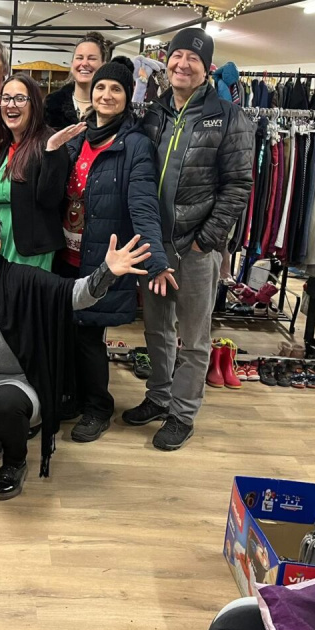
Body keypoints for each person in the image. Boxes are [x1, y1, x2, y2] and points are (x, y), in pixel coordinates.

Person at [0, 208, 152, 500]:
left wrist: (105, 272)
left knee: (1, 404)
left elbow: (75, 295)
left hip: (22, 384)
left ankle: (14, 463)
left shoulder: (24, 280)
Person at [128, 28, 255, 451]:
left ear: (206, 68)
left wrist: (205, 241)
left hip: (196, 248)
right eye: (176, 55)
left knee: (195, 338)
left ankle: (182, 414)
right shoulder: (154, 112)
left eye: (193, 58)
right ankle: (159, 396)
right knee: (157, 328)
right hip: (154, 245)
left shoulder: (228, 116)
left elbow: (238, 185)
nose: (182, 64)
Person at [54, 56, 175, 443]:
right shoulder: (77, 138)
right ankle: (74, 397)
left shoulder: (135, 145)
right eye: (101, 87)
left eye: (116, 89)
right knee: (68, 331)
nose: (106, 95)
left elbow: (143, 205)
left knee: (90, 335)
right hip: (65, 255)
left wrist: (156, 261)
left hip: (100, 259)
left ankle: (98, 407)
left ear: (127, 98)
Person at [0, 73, 78, 270]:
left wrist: (52, 153)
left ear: (34, 104)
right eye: (6, 98)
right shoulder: (1, 147)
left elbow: (49, 199)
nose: (11, 105)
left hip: (31, 250)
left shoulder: (49, 143)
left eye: (20, 99)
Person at [45, 31, 110, 129]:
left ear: (103, 65)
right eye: (79, 58)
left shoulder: (110, 105)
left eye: (92, 58)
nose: (84, 63)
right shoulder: (51, 104)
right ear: (72, 64)